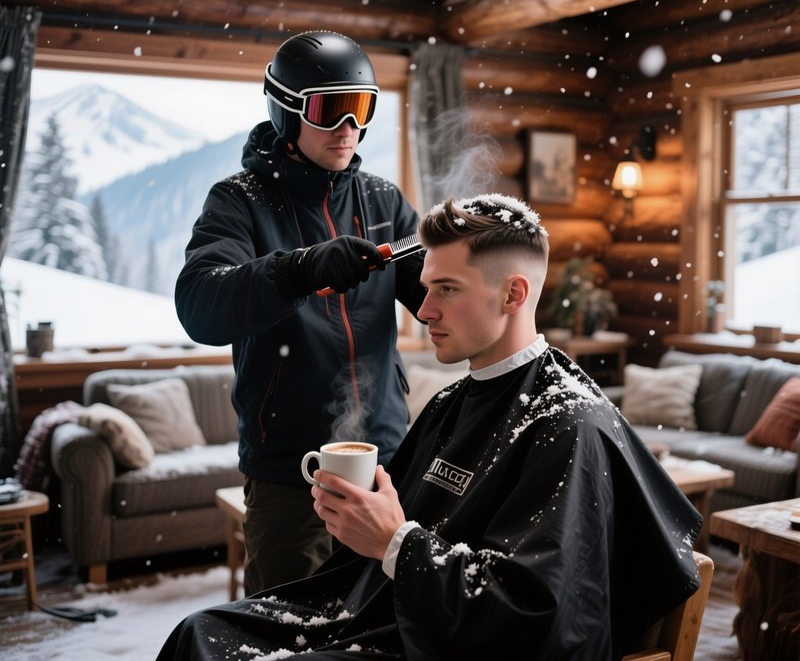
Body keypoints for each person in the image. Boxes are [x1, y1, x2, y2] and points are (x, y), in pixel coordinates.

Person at [160, 193, 702, 661]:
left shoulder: (567, 424)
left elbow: (537, 615)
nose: (423, 312)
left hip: (447, 644)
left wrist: (395, 542)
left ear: (513, 294)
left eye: (447, 289)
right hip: (405, 618)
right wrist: (365, 524)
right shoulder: (452, 401)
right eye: (426, 288)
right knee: (199, 631)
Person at [174, 30, 426, 594]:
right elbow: (199, 305)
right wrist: (299, 269)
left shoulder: (382, 200)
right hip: (293, 472)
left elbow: (433, 291)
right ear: (287, 111)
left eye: (361, 108)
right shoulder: (241, 200)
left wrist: (471, 256)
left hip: (386, 462)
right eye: (330, 110)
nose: (348, 128)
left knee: (385, 615)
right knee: (288, 624)